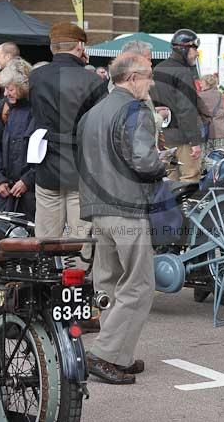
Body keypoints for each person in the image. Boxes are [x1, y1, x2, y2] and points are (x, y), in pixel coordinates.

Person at [77, 52, 165, 385]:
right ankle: (106, 354)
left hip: (96, 207)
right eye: (148, 76)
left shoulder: (93, 112)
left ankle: (118, 354)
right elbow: (143, 160)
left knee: (110, 283)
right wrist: (162, 167)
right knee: (139, 285)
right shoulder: (135, 109)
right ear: (131, 78)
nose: (151, 82)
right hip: (125, 205)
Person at [29, 22, 108, 243]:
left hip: (47, 159)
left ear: (53, 47)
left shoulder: (36, 76)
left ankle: (46, 273)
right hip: (81, 164)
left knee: (46, 233)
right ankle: (77, 275)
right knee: (80, 235)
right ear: (80, 46)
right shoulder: (92, 80)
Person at [0, 58, 36, 219]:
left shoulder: (39, 108)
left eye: (10, 89)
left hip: (30, 190)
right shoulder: (2, 109)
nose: (6, 93)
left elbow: (46, 151)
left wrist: (27, 180)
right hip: (4, 189)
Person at [149, 28, 203, 182]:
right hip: (183, 138)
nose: (197, 53)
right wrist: (195, 141)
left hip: (163, 137)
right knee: (190, 179)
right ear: (183, 49)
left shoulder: (158, 69)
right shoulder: (183, 72)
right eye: (194, 49)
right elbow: (187, 109)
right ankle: (186, 208)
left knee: (169, 181)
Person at [197, 74, 224, 154]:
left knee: (206, 158)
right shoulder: (220, 95)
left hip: (206, 132)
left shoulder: (199, 96)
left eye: (202, 82)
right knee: (222, 157)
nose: (200, 84)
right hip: (221, 131)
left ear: (207, 83)